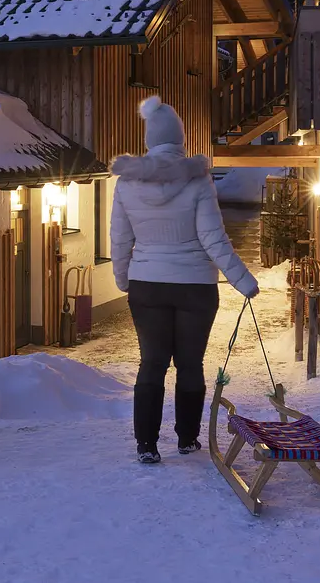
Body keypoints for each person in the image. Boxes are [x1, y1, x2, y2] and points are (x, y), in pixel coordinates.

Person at [110, 96, 259, 464]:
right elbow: (213, 238)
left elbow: (120, 238)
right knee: (190, 364)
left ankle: (146, 444)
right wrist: (243, 281)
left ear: (149, 138)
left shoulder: (127, 184)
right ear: (179, 139)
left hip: (147, 284)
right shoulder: (198, 179)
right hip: (195, 287)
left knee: (152, 362)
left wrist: (122, 279)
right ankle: (187, 439)